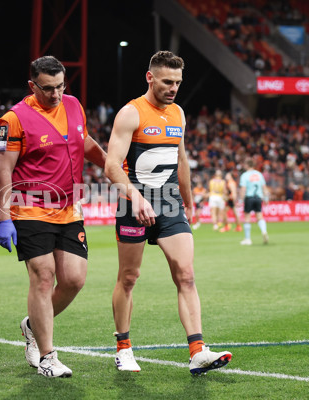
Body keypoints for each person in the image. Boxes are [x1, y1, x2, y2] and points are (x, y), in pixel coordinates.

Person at [104, 50, 231, 375]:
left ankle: (198, 350)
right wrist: (136, 199)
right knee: (129, 278)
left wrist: (188, 201)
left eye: (177, 82)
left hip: (170, 203)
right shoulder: (131, 113)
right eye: (166, 81)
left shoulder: (178, 114)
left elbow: (181, 160)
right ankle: (123, 347)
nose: (173, 87)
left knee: (186, 275)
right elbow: (111, 166)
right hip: (133, 203)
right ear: (150, 77)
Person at [0, 55, 106, 378]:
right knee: (44, 277)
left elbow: (84, 142)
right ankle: (46, 356)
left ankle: (32, 325)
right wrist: (4, 219)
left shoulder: (74, 105)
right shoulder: (13, 119)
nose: (56, 94)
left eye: (60, 86)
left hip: (70, 208)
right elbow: (3, 170)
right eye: (47, 89)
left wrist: (111, 164)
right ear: (32, 85)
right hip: (31, 207)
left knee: (73, 279)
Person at [239, 158, 269, 245]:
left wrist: (241, 200)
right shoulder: (259, 174)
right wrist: (266, 198)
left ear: (247, 165)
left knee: (247, 217)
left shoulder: (245, 175)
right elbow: (264, 188)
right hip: (258, 198)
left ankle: (248, 239)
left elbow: (243, 189)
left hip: (249, 198)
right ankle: (264, 231)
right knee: (259, 216)